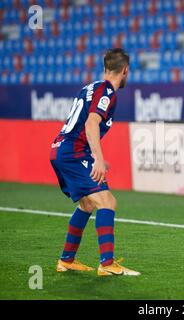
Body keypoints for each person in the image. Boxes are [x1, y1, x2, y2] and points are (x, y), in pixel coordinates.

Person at [50, 48, 140, 276]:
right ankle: (107, 264)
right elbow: (91, 124)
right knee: (107, 202)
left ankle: (67, 260)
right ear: (125, 70)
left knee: (87, 204)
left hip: (60, 150)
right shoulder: (107, 92)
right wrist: (98, 160)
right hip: (73, 152)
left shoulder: (89, 88)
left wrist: (94, 156)